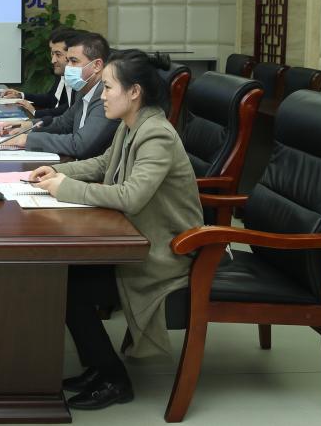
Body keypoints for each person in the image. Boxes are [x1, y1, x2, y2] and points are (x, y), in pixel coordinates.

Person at [25, 50, 203, 410]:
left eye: (108, 87)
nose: (102, 95)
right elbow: (104, 163)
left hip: (165, 253)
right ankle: (98, 368)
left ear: (134, 91)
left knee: (70, 285)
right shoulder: (132, 123)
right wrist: (57, 172)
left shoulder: (156, 135)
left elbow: (131, 196)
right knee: (69, 278)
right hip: (137, 237)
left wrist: (66, 189)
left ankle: (114, 379)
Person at [1, 31, 118, 159]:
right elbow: (63, 123)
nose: (68, 67)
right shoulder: (83, 90)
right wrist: (28, 126)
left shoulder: (105, 96)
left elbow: (80, 145)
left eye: (74, 61)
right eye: (68, 61)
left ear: (97, 65)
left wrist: (28, 140)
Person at [2, 27, 76, 120]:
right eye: (52, 53)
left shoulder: (79, 80)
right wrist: (21, 95)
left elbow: (69, 109)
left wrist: (35, 112)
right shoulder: (61, 72)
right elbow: (51, 98)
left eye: (58, 54)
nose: (53, 60)